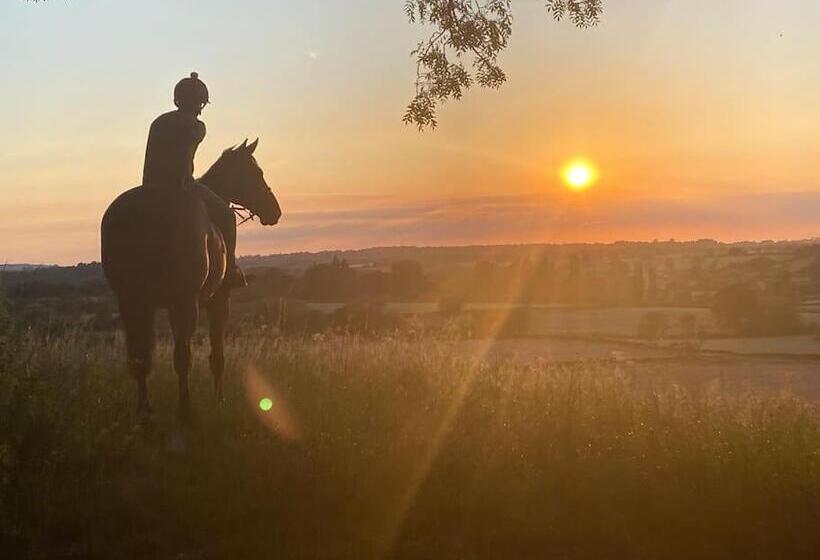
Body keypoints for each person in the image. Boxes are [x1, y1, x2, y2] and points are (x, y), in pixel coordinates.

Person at [142, 72, 246, 288]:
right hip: (182, 186)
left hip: (150, 186)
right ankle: (231, 270)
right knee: (227, 215)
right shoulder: (197, 127)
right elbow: (183, 156)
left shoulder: (158, 122)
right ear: (199, 102)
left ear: (177, 98)